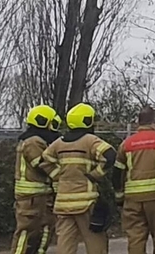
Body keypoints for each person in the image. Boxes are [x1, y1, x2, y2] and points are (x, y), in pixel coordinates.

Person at [40, 103, 116, 254]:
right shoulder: (90, 140)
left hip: (63, 203)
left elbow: (44, 160)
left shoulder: (58, 143)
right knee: (95, 240)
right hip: (86, 202)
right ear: (87, 121)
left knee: (65, 243)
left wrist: (58, 176)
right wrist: (95, 175)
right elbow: (110, 155)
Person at [113, 109, 155, 254]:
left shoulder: (126, 144)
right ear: (153, 121)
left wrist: (119, 196)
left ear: (138, 122)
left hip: (132, 199)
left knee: (135, 238)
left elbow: (117, 173)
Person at [12, 105, 61, 254]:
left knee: (47, 227)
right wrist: (64, 175)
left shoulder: (38, 140)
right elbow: (42, 165)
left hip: (43, 195)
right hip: (31, 197)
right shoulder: (33, 141)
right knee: (26, 230)